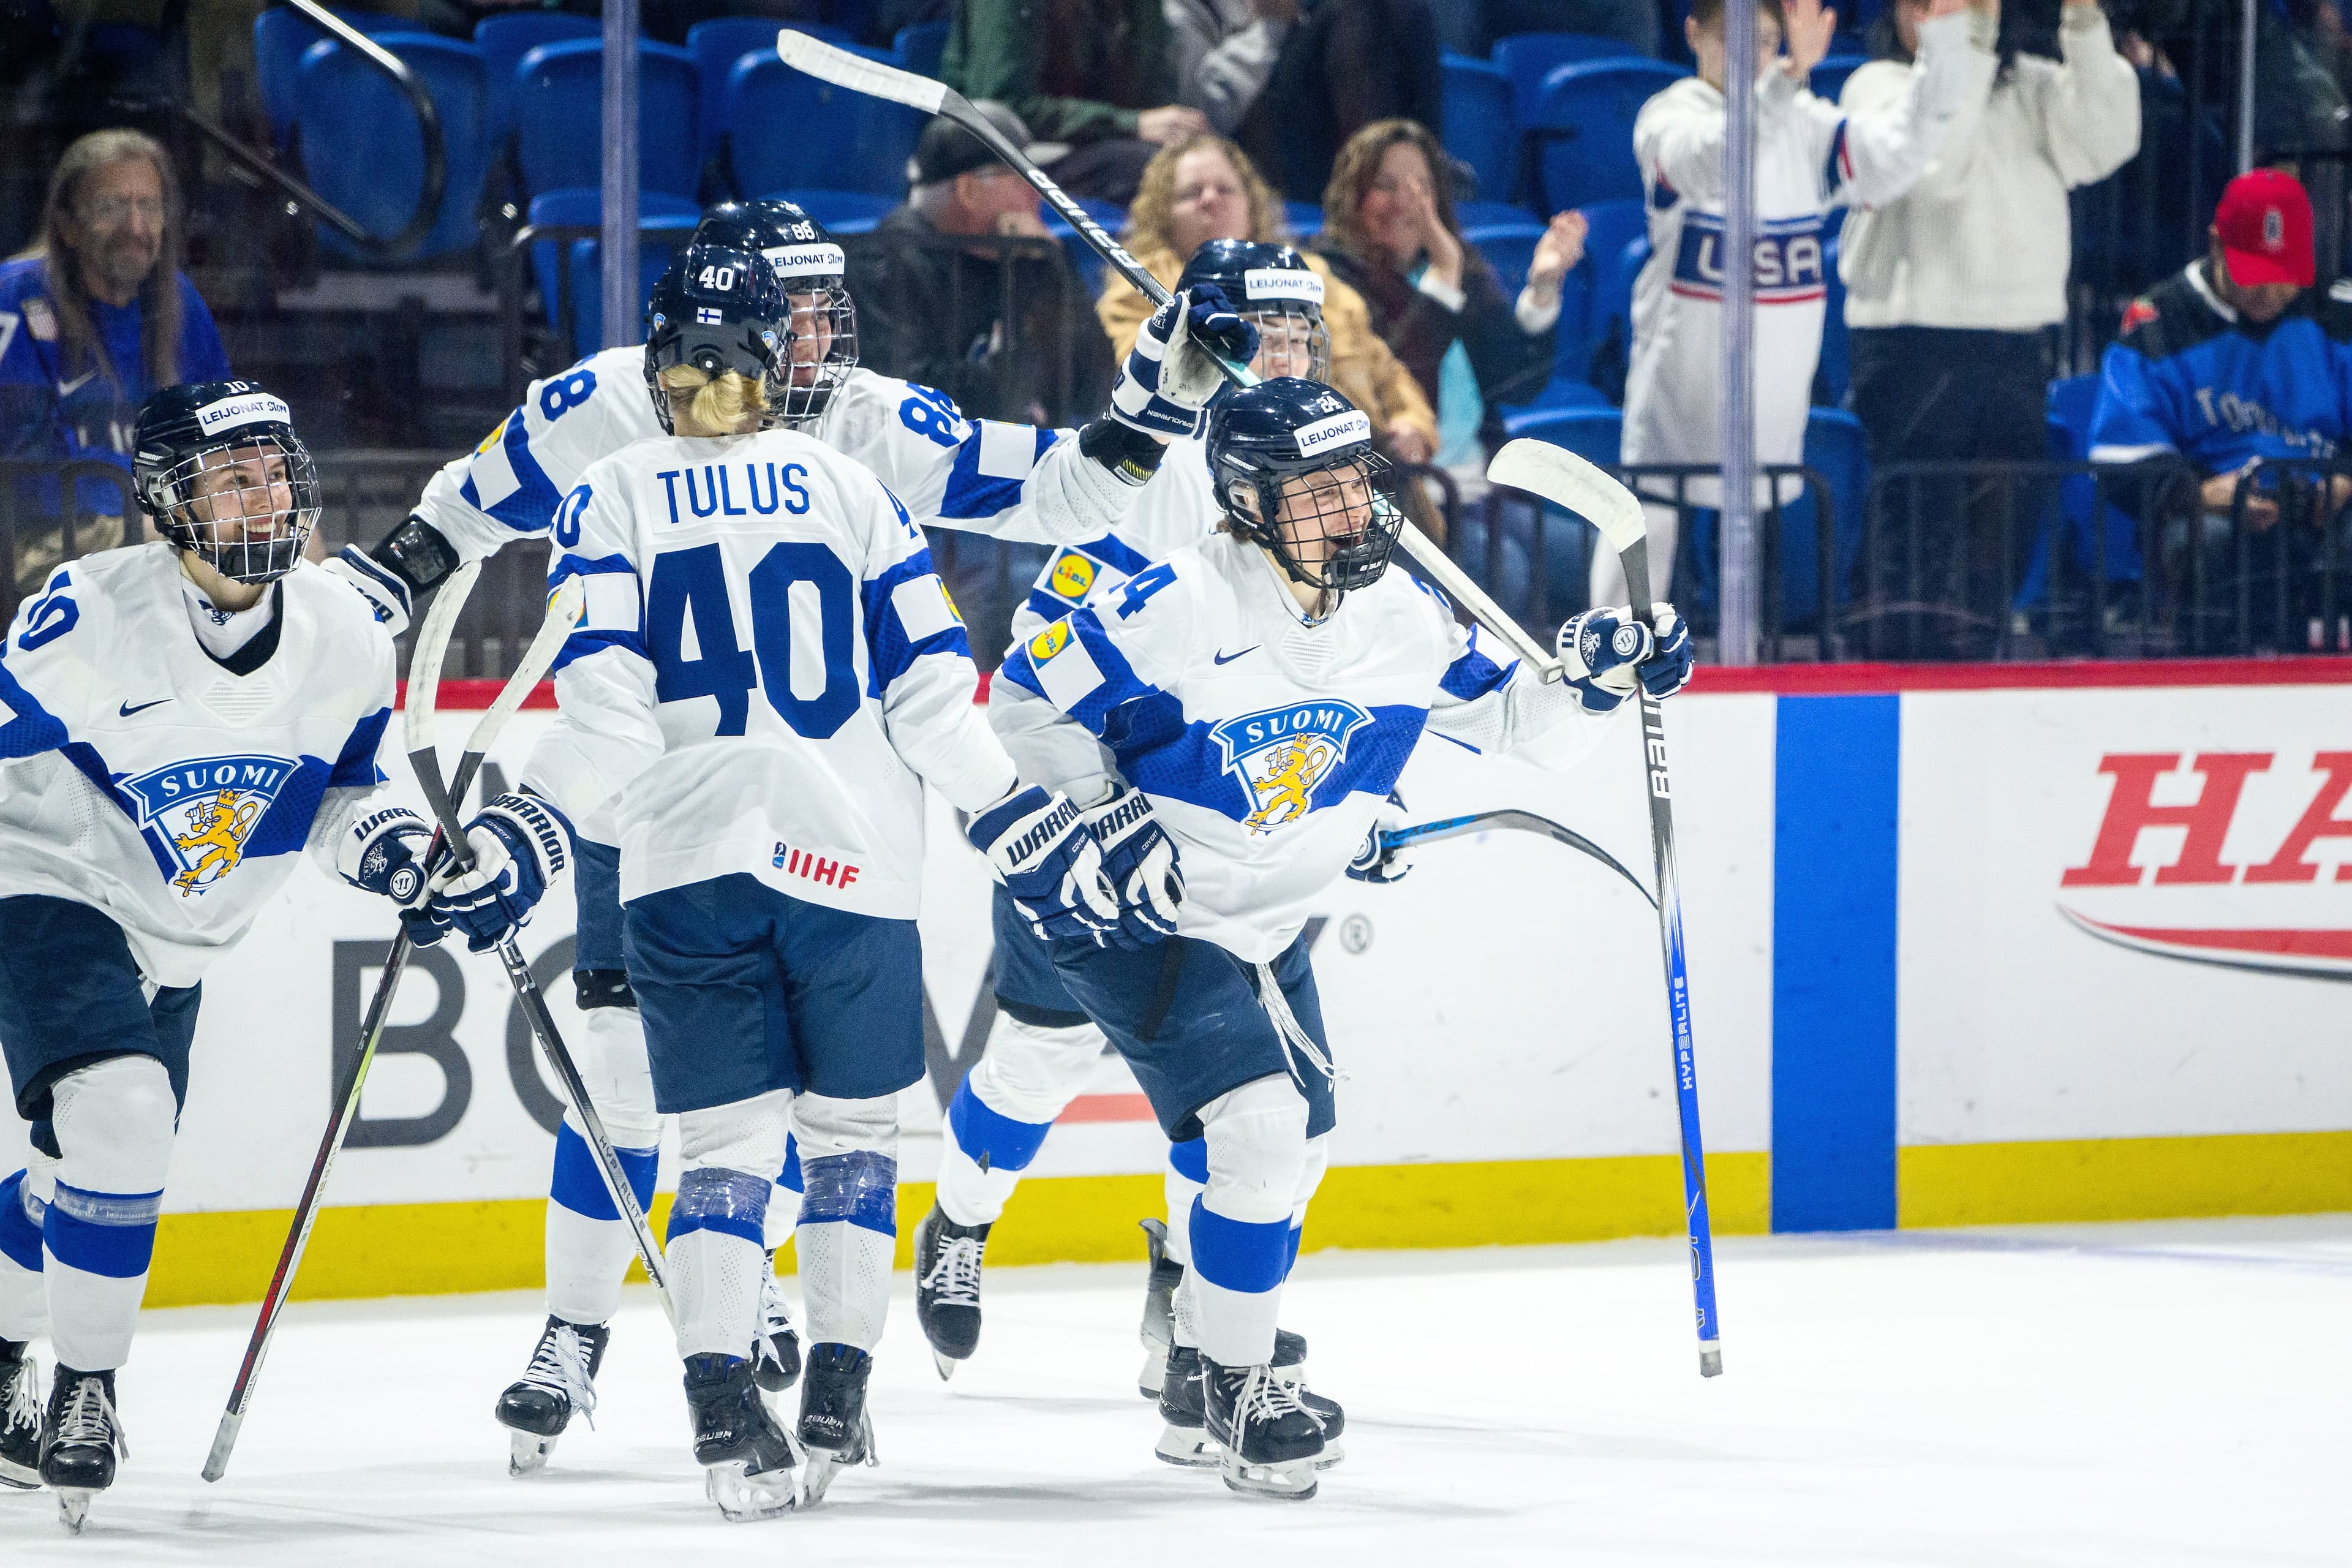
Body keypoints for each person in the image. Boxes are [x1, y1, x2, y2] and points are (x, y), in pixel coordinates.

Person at [322, 195, 1256, 1477]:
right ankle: (577, 1330)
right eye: (788, 313)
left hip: (803, 811)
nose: (812, 345)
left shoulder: (862, 420)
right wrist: (384, 579)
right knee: (636, 1081)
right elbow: (462, 508)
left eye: (825, 313)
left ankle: (753, 1308)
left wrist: (1158, 398)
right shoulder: (611, 411)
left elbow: (1066, 488)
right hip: (673, 789)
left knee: (773, 1107)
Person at [984, 377, 1695, 1496]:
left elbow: (1528, 730)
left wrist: (1603, 682)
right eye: (1313, 490)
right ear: (1247, 502)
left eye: (1353, 481)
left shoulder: (1405, 617)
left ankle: (1199, 1368)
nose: (1348, 510)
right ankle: (1237, 1383)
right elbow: (1021, 694)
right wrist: (1102, 811)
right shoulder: (1174, 603)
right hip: (1150, 916)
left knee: (1298, 1151)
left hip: (1268, 924)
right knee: (1260, 1131)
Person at [0, 380, 423, 1528]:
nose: (267, 494)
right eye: (234, 476)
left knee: (84, 1171)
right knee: (125, 1116)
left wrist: (399, 856)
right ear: (163, 503)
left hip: (179, 933)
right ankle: (84, 1395)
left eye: (277, 470)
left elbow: (349, 797)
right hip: (50, 878)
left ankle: (0, 1359)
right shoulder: (87, 614)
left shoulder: (345, 633)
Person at [911, 239, 1328, 1400]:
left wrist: (1353, 803)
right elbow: (1042, 673)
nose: (1290, 355)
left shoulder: (1324, 478)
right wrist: (1090, 816)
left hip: (1233, 845)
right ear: (1218, 343)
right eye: (1268, 332)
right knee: (1043, 1059)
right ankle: (961, 1219)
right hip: (1089, 825)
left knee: (1263, 1104)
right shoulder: (1144, 477)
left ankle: (1195, 1307)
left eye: (1305, 333)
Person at [1605, 0, 1986, 608]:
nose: (1750, 55)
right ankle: (1607, 679)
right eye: (1733, 38)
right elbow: (1714, 161)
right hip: (1679, 397)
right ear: (1693, 33)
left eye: (1764, 41)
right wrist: (1784, 81)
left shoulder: (1804, 122)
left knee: (1758, 599)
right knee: (1637, 565)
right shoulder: (1668, 116)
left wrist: (1942, 48)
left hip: (1772, 406)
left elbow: (1902, 155)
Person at [1841, 0, 2140, 641]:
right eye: (1923, 3)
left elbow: (2108, 143)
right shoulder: (1877, 88)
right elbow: (1936, 171)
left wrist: (2085, 25)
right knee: (1914, 555)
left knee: (1993, 562)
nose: (1937, 11)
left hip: (2013, 344)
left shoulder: (2032, 85)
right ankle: (1892, 689)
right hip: (1911, 346)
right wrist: (1967, 38)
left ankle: (1975, 695)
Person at [2089, 170, 2352, 620]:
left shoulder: (2337, 314)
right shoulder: (2156, 323)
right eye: (2256, 275)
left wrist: (2344, 477)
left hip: (2324, 509)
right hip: (2209, 511)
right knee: (2199, 541)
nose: (2271, 294)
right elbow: (2122, 458)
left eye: (2285, 275)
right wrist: (2199, 493)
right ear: (2216, 246)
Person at [1097, 134, 1440, 465]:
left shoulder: (1312, 277)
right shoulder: (1140, 289)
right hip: (1231, 463)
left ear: (1251, 203)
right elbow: (1151, 381)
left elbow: (1387, 370)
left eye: (1226, 189)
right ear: (1164, 212)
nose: (1211, 200)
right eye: (1191, 192)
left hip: (1362, 461)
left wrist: (1412, 423)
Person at [1, 130, 230, 576]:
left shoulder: (179, 301)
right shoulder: (15, 298)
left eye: (149, 206)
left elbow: (224, 431)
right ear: (67, 226)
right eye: (109, 208)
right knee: (208, 544)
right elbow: (24, 469)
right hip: (43, 538)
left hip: (161, 518)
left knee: (289, 531)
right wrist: (168, 507)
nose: (135, 228)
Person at [1315, 119, 1585, 462]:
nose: (1403, 202)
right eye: (1384, 185)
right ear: (1352, 196)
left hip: (1478, 484)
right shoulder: (1331, 278)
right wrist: (1443, 281)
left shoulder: (1461, 272)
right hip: (1393, 488)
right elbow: (1400, 383)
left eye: (1418, 187)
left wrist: (1543, 288)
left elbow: (1517, 385)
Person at [846, 104, 1115, 428]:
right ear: (969, 191)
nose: (1040, 195)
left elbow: (1093, 391)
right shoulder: (885, 264)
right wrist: (1014, 370)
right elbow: (907, 407)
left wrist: (1053, 269)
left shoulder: (1027, 257)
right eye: (1027, 178)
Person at [1166, 0, 1447, 202]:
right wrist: (1273, 24)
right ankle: (1372, 185)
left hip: (1316, 134)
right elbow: (1203, 110)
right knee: (1351, 14)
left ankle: (1416, 178)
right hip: (1252, 157)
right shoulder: (1187, 9)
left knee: (1402, 10)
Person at [941, 0, 1207, 203]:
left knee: (1211, 166)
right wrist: (1131, 123)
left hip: (1100, 146)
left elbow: (1155, 84)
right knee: (1159, 173)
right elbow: (999, 109)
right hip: (1009, 158)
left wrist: (1178, 128)